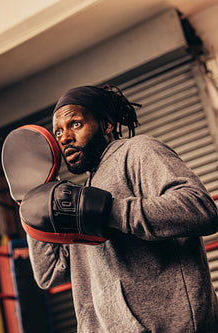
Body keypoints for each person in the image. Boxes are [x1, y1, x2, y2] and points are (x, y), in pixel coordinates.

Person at [20, 85, 218, 332]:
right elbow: (49, 274)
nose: (65, 138)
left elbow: (201, 209)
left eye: (76, 124)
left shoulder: (137, 150)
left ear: (106, 125)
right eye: (58, 132)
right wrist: (30, 199)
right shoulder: (79, 199)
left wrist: (110, 211)